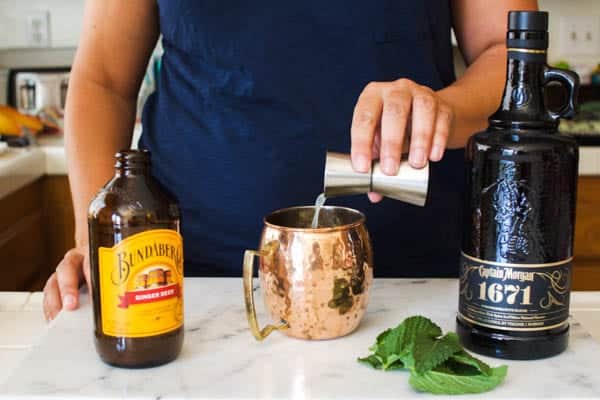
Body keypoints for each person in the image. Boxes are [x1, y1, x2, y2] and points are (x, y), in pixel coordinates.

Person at [43, 0, 538, 321]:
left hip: (408, 284)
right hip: (188, 288)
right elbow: (103, 80)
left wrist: (444, 109)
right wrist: (95, 239)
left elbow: (511, 52)